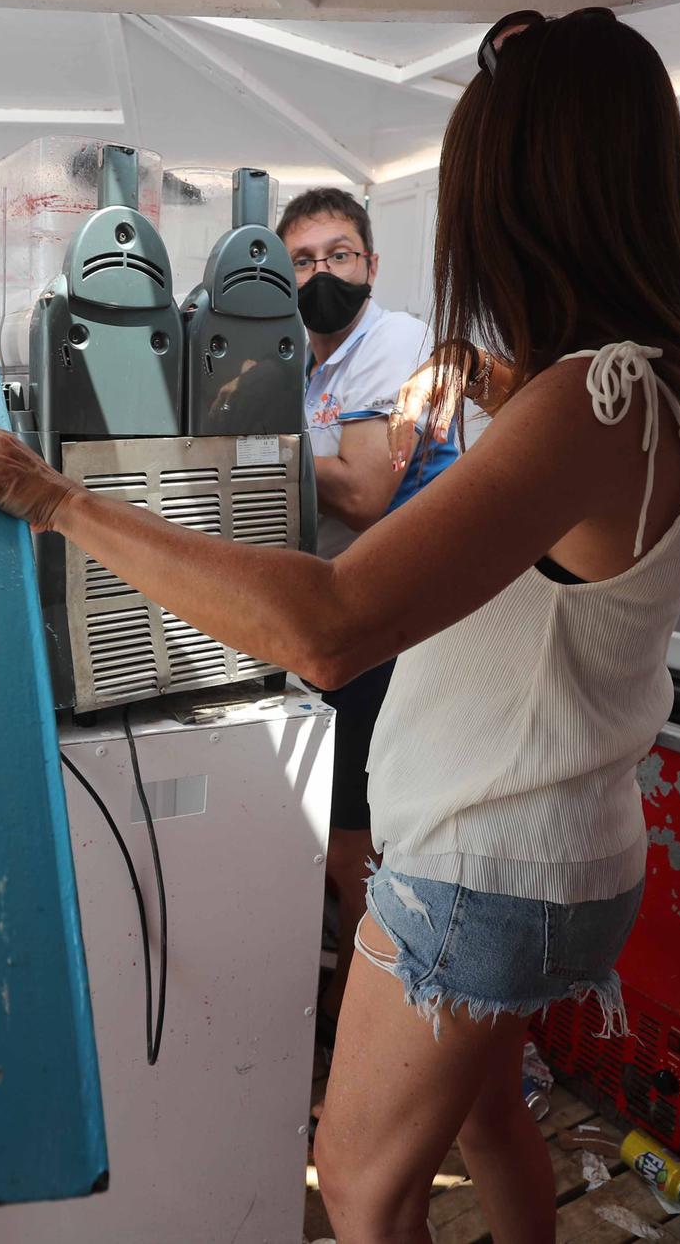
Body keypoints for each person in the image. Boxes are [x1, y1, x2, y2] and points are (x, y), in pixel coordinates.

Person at [0, 6, 680, 1244]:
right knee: (486, 1122)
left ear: (523, 197)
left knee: (359, 1183)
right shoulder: (668, 387)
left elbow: (328, 623)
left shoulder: (594, 396)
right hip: (567, 854)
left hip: (482, 869)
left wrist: (51, 497)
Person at [276, 185, 465, 1036]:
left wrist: (256, 441)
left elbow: (361, 492)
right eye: (304, 260)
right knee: (327, 834)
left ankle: (370, 1022)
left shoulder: (392, 344)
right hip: (341, 623)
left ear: (372, 265)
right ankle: (347, 994)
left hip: (396, 626)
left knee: (355, 844)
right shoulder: (311, 364)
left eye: (338, 255)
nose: (323, 274)